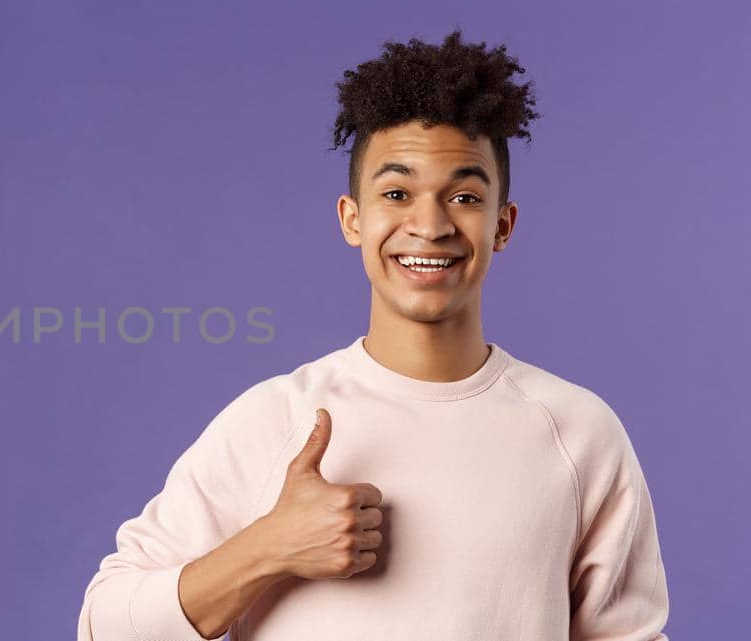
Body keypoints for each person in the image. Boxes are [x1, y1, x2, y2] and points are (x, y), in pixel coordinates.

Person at [76, 29, 669, 641]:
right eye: (396, 193)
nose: (430, 225)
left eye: (464, 196)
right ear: (352, 219)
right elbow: (103, 625)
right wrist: (267, 549)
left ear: (503, 225)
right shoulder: (276, 421)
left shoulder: (579, 433)